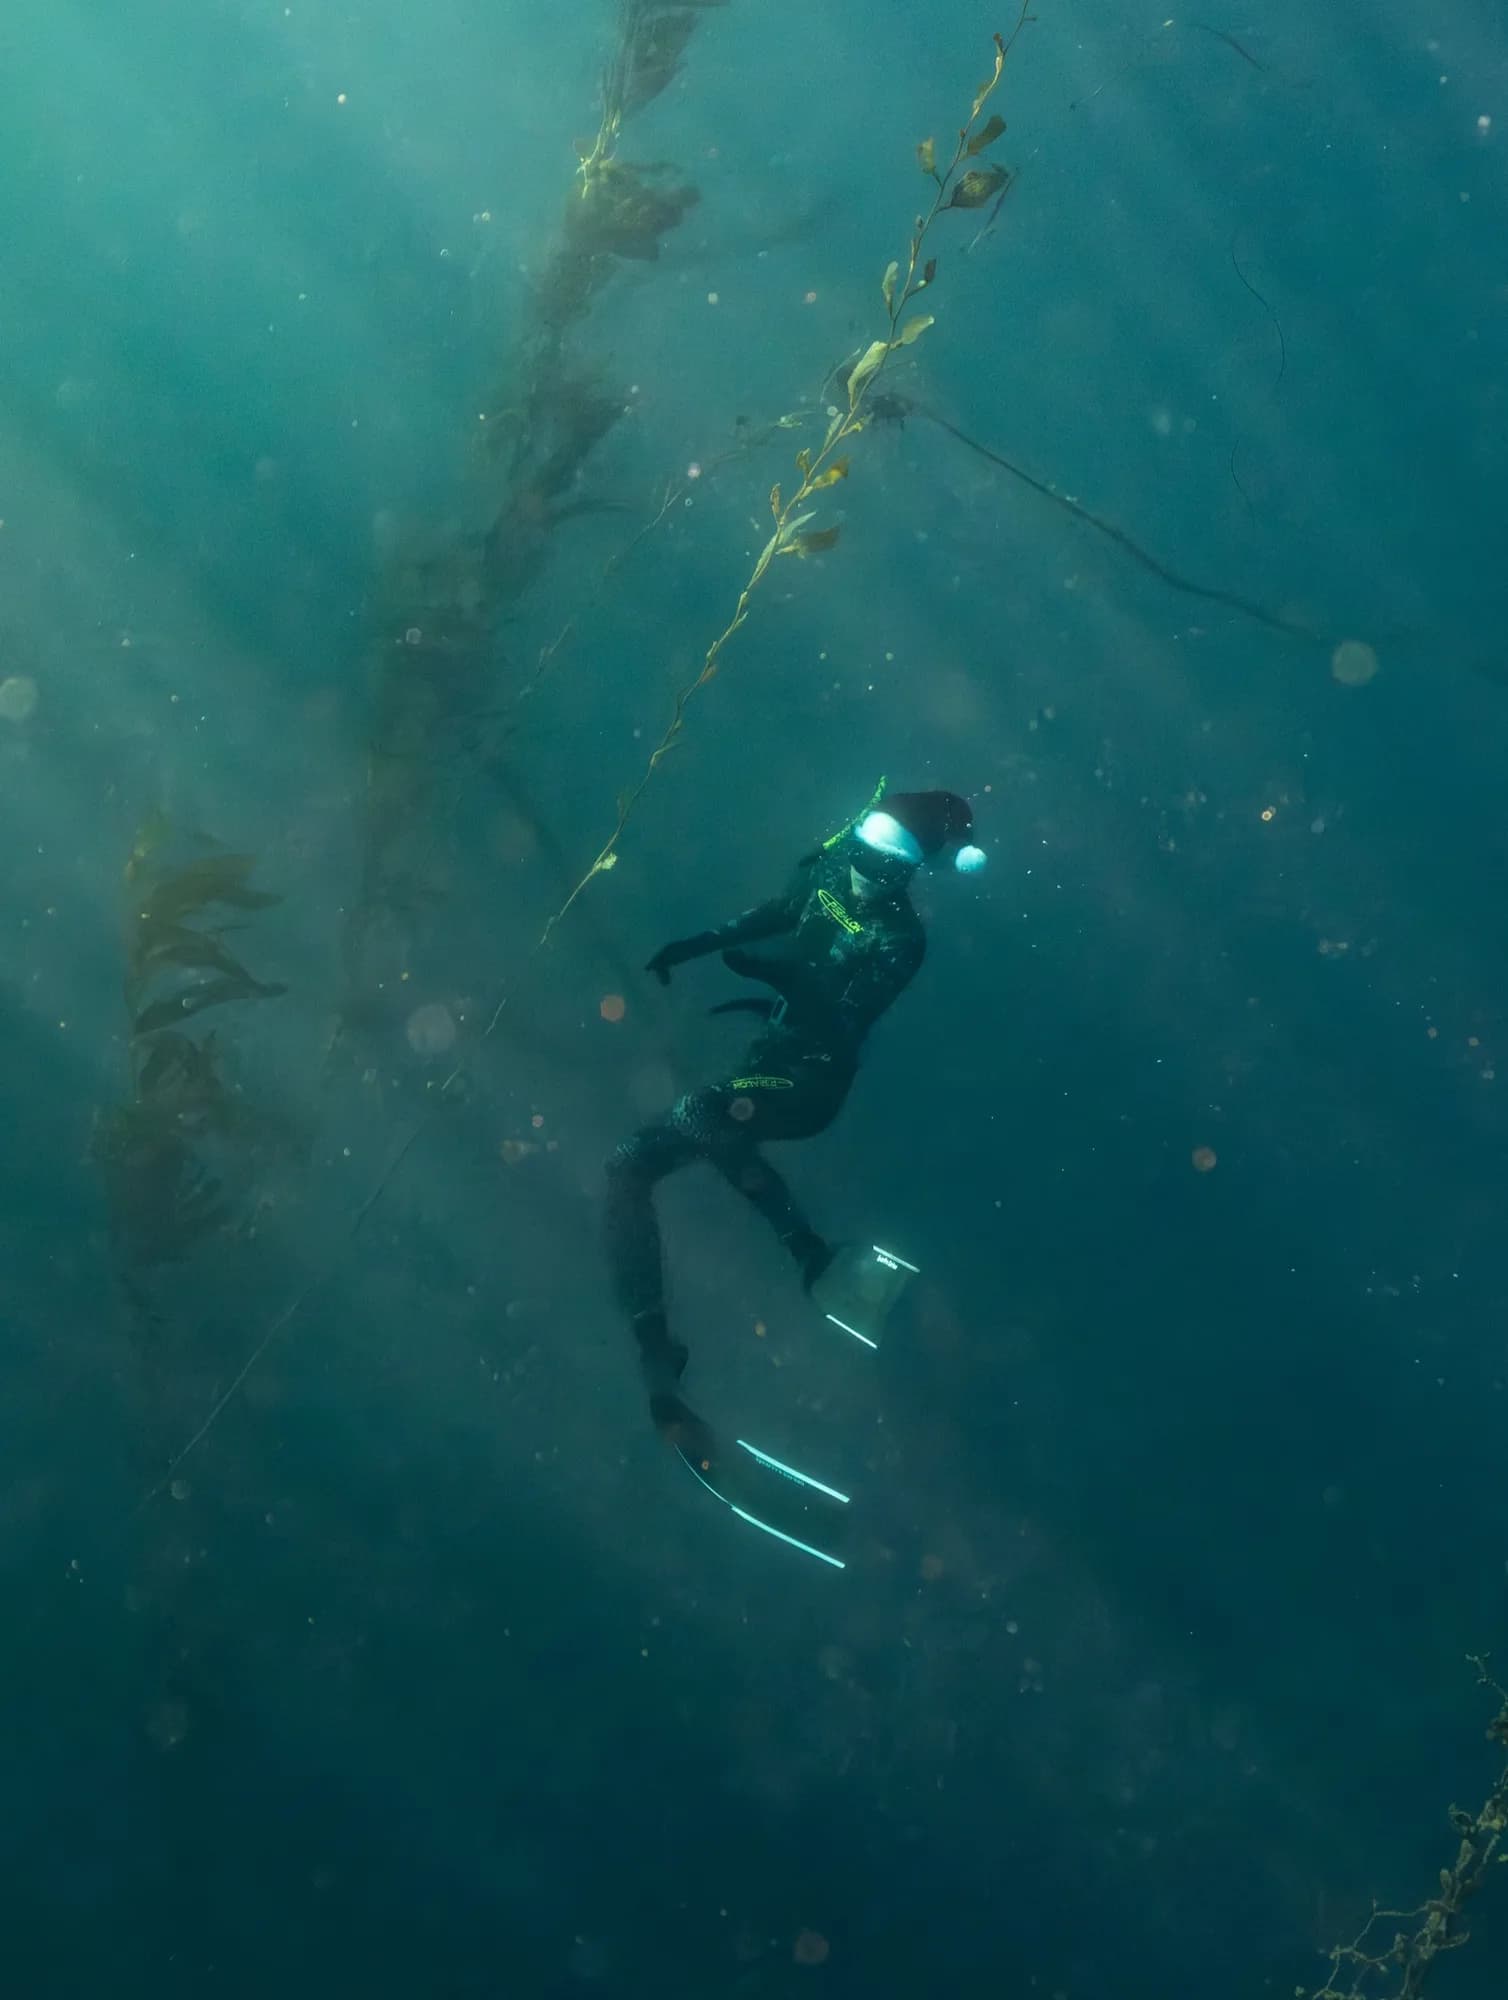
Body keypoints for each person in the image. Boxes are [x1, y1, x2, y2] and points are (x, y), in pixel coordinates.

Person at [604, 788, 985, 1443]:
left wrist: (782, 978)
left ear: (907, 869)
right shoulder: (834, 867)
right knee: (628, 1167)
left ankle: (809, 1254)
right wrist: (695, 944)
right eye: (862, 848)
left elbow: (843, 1026)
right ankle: (655, 1345)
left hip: (809, 1083)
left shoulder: (900, 939)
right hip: (767, 1060)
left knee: (700, 1111)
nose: (864, 866)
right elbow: (784, 909)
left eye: (882, 861)